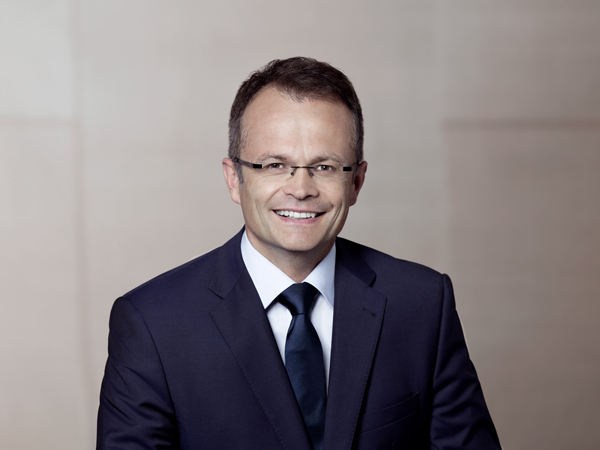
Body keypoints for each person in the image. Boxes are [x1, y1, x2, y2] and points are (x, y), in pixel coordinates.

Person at [97, 57, 501, 450]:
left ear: (356, 182)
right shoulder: (153, 324)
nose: (301, 189)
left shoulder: (422, 304)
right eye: (275, 164)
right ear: (234, 179)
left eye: (325, 167)